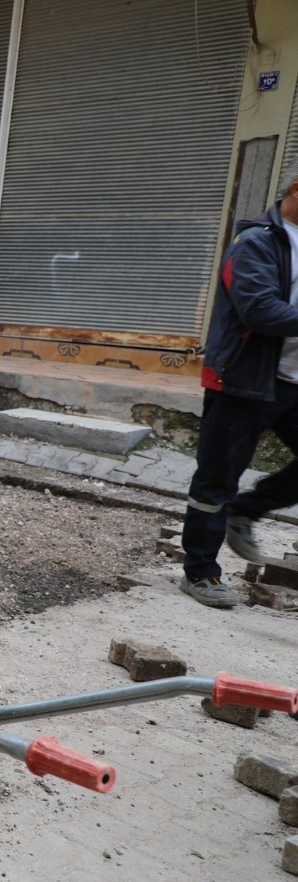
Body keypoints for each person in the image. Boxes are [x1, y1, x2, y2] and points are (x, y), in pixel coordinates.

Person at [180, 163, 298, 609]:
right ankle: (201, 573)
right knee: (216, 479)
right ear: (296, 190)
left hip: (293, 381)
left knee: (228, 491)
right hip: (243, 379)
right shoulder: (256, 243)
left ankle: (248, 509)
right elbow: (259, 310)